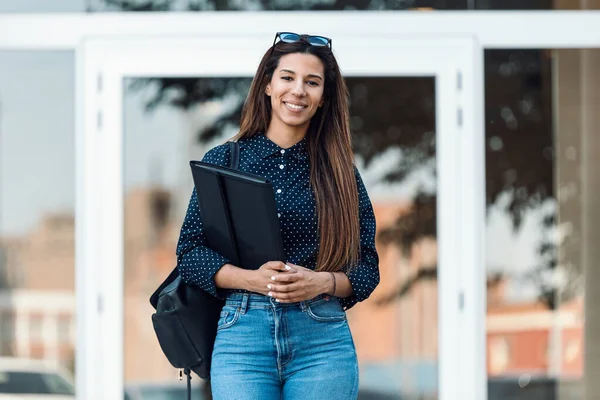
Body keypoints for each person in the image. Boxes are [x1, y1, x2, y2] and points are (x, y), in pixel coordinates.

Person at [175, 32, 380, 400]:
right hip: (243, 336)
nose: (298, 90)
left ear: (323, 99)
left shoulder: (342, 174)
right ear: (268, 85)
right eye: (287, 77)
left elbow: (367, 268)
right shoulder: (224, 161)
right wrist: (252, 280)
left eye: (312, 82)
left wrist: (321, 283)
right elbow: (190, 253)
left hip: (321, 342)